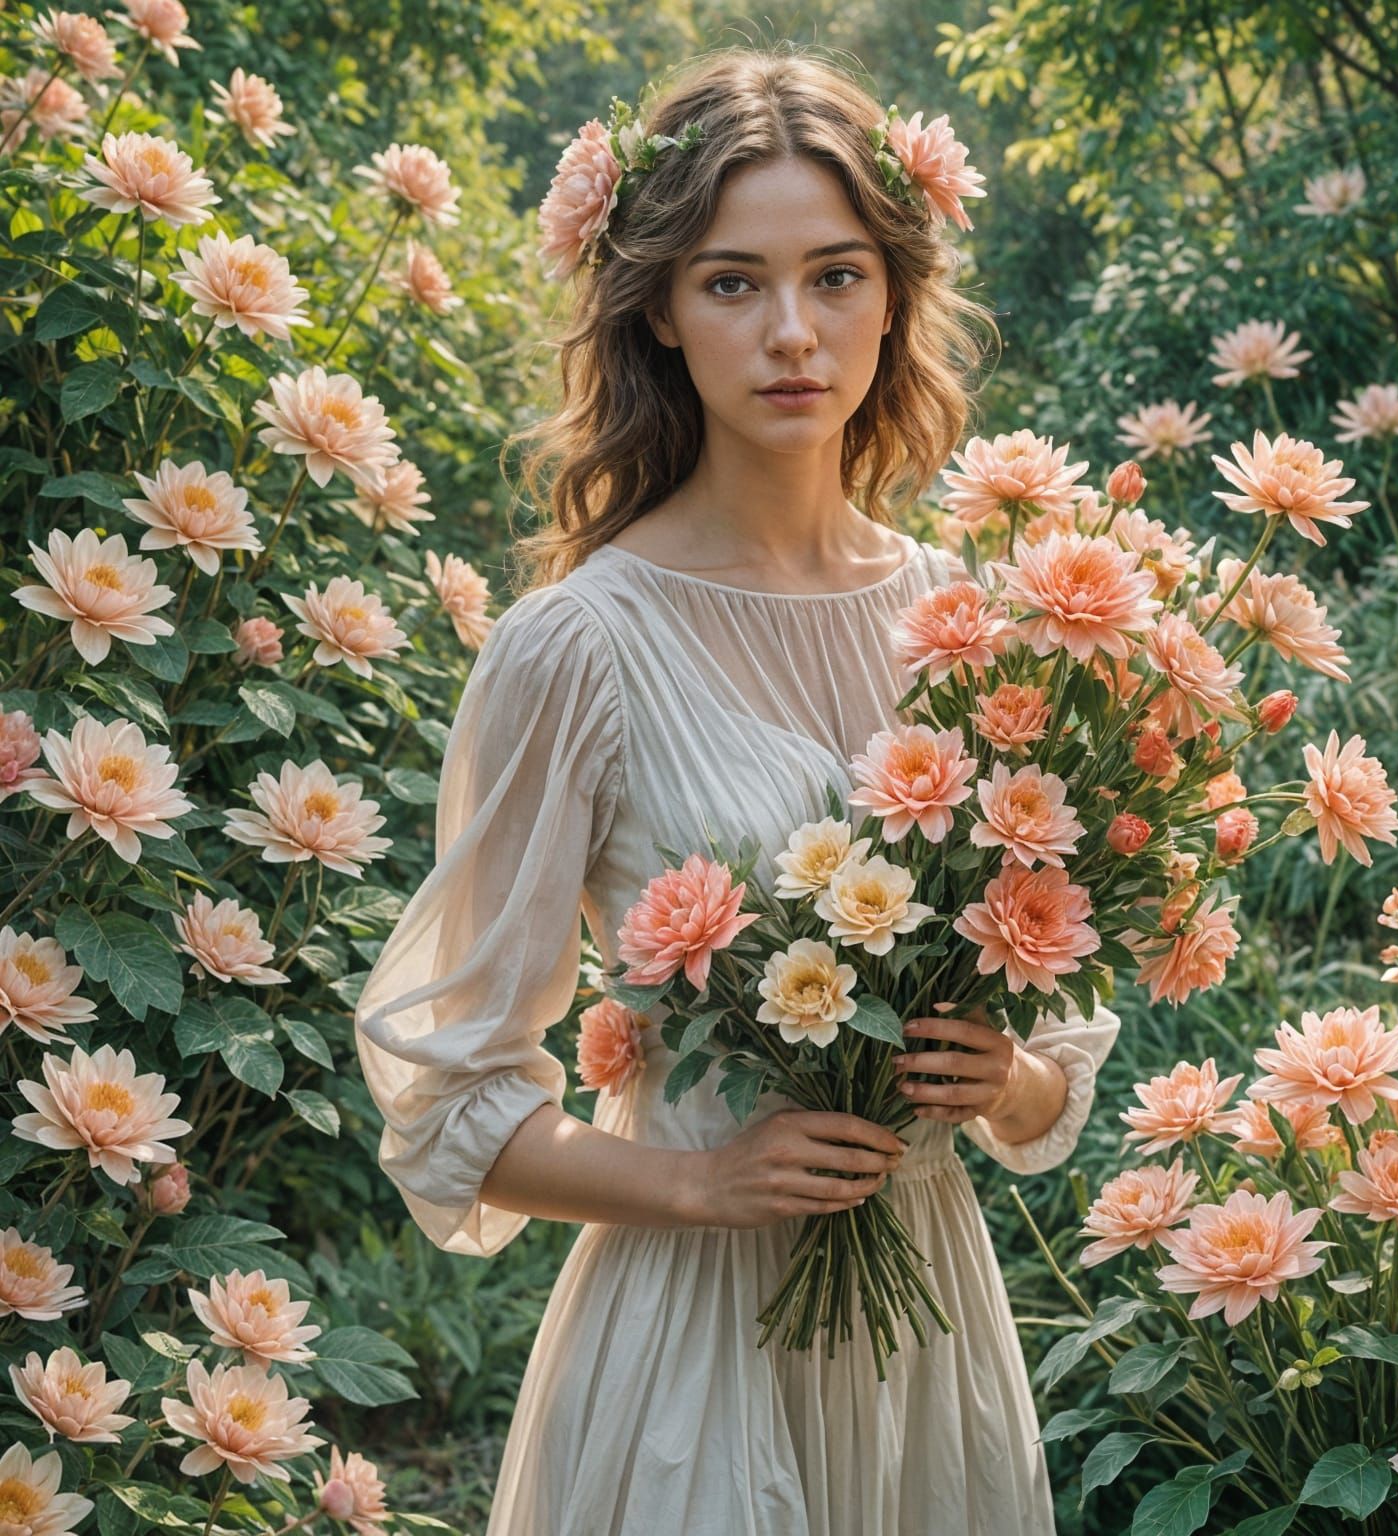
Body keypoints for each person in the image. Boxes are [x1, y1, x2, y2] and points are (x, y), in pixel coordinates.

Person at [354, 44, 1121, 1536]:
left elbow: (1052, 1056)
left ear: (893, 295)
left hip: (928, 1340)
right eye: (732, 283)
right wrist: (703, 1181)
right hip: (694, 1352)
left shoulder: (978, 626)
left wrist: (1001, 1075)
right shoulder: (572, 648)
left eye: (836, 276)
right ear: (655, 304)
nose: (793, 334)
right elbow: (452, 1099)